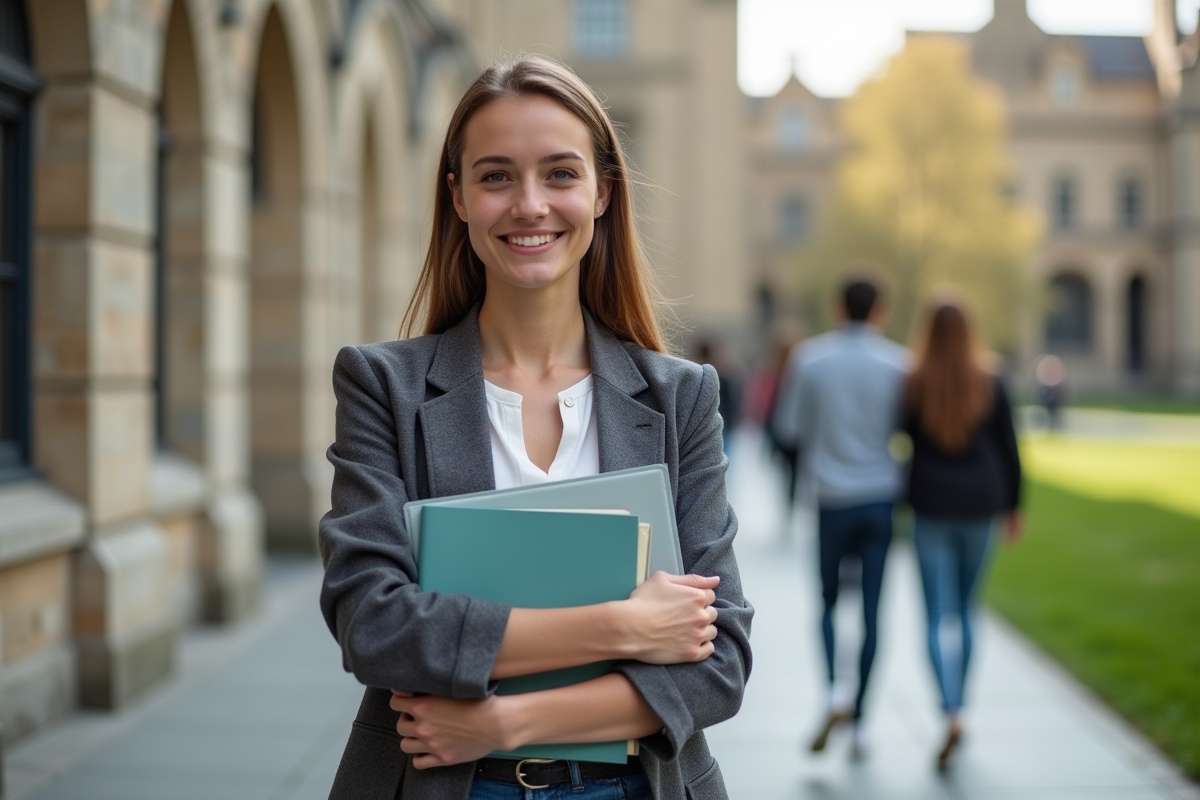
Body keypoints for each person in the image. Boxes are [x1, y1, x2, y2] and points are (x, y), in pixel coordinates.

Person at [317, 55, 752, 800]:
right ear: (456, 197)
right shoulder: (382, 386)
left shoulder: (680, 397)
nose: (529, 204)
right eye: (495, 177)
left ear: (602, 192)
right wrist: (624, 627)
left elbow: (718, 663)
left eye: (559, 173)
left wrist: (502, 723)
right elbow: (375, 624)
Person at [772, 277, 908, 756]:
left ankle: (833, 690)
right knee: (873, 610)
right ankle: (863, 720)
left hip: (830, 498)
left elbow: (789, 428)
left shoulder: (810, 359)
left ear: (836, 306)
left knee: (828, 602)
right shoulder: (899, 363)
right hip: (879, 497)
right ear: (881, 310)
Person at [902, 300, 1022, 771]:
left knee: (936, 617)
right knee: (969, 612)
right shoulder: (991, 378)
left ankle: (947, 709)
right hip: (982, 504)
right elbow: (1010, 447)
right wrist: (1015, 506)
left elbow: (903, 439)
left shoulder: (915, 381)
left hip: (932, 505)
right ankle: (962, 706)